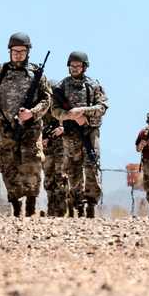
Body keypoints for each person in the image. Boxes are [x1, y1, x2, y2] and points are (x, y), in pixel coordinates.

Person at [0, 32, 51, 216]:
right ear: (9, 51)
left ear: (28, 52)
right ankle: (16, 206)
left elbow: (47, 100)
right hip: (6, 127)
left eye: (22, 51)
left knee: (32, 164)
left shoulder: (37, 74)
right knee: (8, 165)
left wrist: (31, 113)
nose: (18, 54)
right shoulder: (0, 72)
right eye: (14, 51)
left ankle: (31, 207)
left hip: (31, 128)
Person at [49, 51, 109, 217]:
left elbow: (102, 108)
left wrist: (83, 112)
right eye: (72, 65)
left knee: (91, 166)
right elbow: (54, 111)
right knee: (73, 169)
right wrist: (69, 116)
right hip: (71, 133)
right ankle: (78, 205)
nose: (75, 68)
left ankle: (91, 204)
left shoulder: (93, 85)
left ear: (84, 67)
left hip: (89, 131)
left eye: (78, 66)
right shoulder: (61, 86)